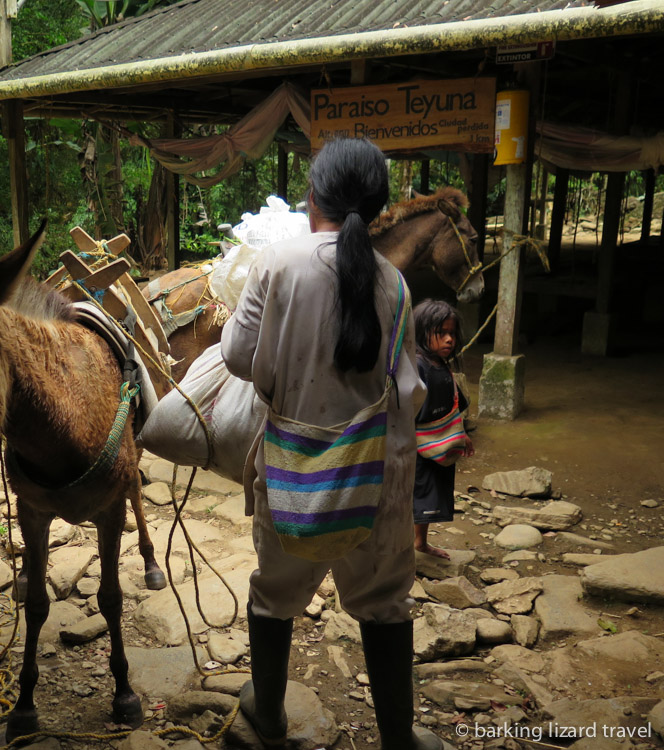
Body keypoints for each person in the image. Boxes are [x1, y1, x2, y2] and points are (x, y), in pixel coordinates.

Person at [221, 138, 450, 750]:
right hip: (374, 477)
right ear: (377, 207)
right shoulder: (395, 284)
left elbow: (238, 357)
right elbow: (405, 385)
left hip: (293, 472)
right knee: (383, 602)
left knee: (274, 594)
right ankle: (397, 738)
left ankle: (267, 716)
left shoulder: (275, 264)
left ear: (312, 195)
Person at [412, 300, 474, 561]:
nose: (449, 340)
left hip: (439, 443)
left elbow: (453, 406)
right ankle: (402, 548)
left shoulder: (442, 365)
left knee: (431, 494)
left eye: (452, 333)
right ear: (423, 332)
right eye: (441, 333)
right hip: (416, 445)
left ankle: (419, 543)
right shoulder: (418, 365)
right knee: (416, 495)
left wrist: (462, 435)